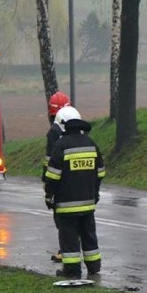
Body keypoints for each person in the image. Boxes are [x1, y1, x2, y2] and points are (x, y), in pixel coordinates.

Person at [44, 106, 106, 279]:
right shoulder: (91, 143)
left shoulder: (61, 145)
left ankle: (72, 271)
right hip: (88, 201)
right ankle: (94, 266)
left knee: (69, 238)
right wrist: (94, 191)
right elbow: (100, 172)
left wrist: (49, 196)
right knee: (89, 234)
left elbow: (53, 176)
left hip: (66, 204)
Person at [43, 91, 71, 263]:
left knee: (61, 216)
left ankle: (66, 250)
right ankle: (73, 248)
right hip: (78, 179)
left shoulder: (53, 132)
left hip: (60, 180)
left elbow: (49, 160)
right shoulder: (80, 128)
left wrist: (47, 184)